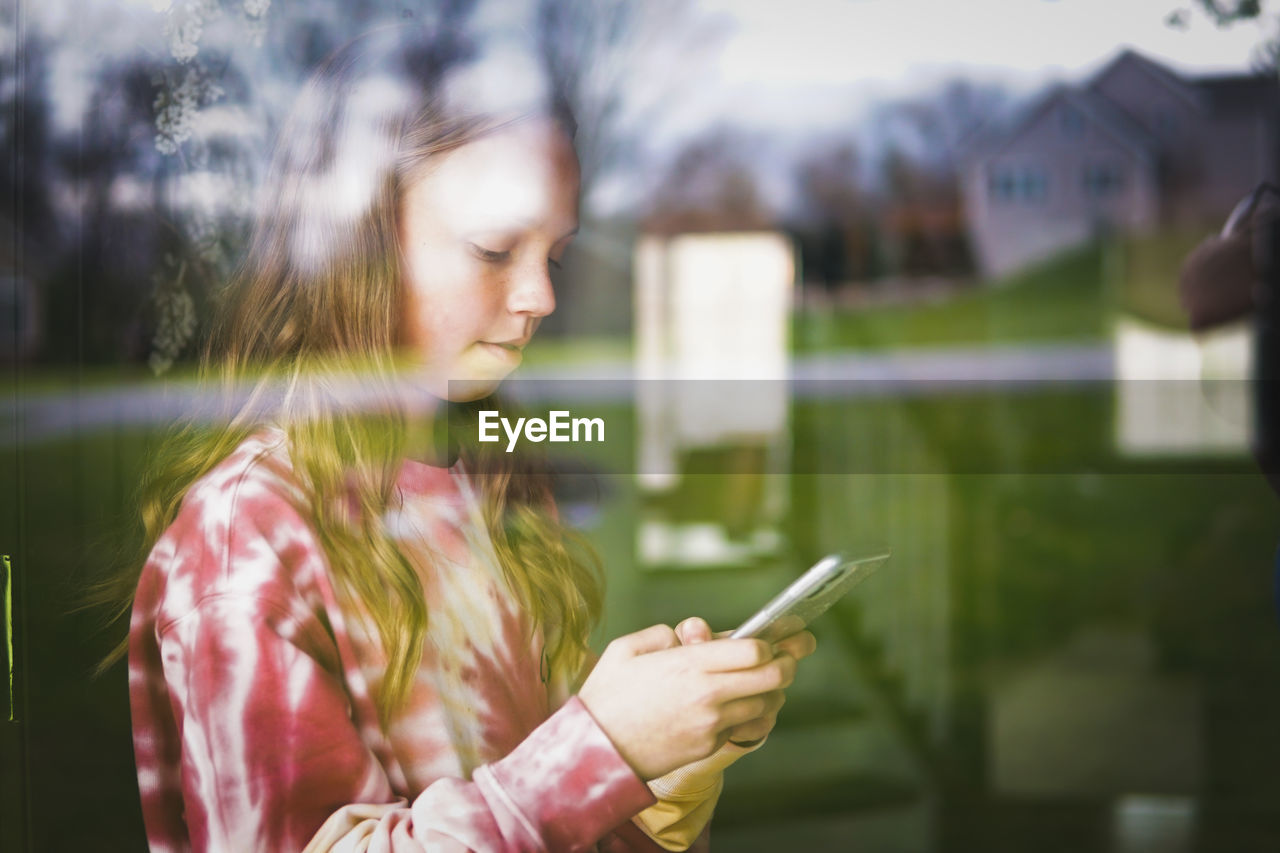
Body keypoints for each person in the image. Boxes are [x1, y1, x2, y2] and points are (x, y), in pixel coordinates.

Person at [99, 25, 815, 853]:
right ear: (353, 243)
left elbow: (558, 828)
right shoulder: (246, 541)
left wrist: (665, 757)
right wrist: (601, 743)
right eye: (495, 247)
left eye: (555, 252)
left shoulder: (495, 478)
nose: (541, 295)